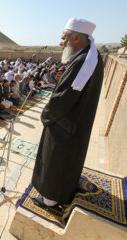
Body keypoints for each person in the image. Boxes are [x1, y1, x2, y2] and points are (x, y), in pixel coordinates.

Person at [31, 18, 104, 208]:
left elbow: (63, 98)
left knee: (56, 160)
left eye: (64, 38)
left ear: (77, 38)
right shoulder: (91, 58)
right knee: (65, 163)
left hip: (65, 125)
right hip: (76, 122)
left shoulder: (82, 62)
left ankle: (50, 199)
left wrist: (46, 115)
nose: (61, 43)